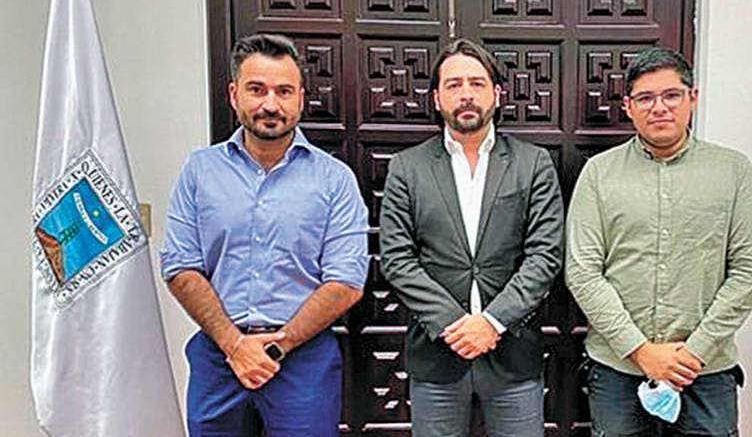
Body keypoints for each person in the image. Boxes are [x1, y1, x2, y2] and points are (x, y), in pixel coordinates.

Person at [161, 33, 369, 437]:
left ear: (301, 99)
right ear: (234, 94)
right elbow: (180, 266)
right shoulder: (200, 172)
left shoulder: (335, 180)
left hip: (303, 361)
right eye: (257, 89)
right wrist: (235, 345)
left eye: (284, 91)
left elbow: (346, 281)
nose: (270, 104)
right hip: (219, 357)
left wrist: (278, 345)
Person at [565, 47, 752, 436]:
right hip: (619, 367)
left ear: (693, 98)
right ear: (628, 107)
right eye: (645, 98)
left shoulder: (733, 171)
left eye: (671, 95)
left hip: (705, 369)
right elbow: (583, 271)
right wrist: (641, 350)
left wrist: (693, 352)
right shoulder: (599, 174)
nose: (659, 108)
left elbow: (749, 270)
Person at [379, 39, 564, 437]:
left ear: (497, 94)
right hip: (437, 357)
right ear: (436, 98)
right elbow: (396, 259)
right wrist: (453, 323)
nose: (466, 94)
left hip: (513, 356)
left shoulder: (533, 163)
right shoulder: (407, 168)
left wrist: (492, 323)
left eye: (477, 84)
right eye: (454, 84)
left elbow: (545, 256)